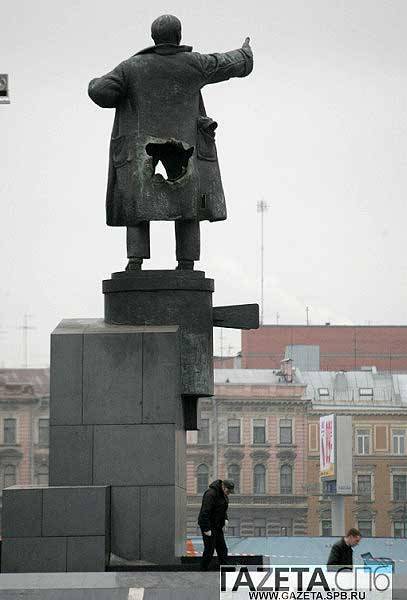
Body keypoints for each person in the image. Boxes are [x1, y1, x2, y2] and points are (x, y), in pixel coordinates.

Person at [88, 15, 253, 271]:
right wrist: (245, 53)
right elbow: (227, 64)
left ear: (154, 38)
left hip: (144, 152)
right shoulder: (194, 63)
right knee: (188, 204)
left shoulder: (131, 67)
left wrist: (94, 84)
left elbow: (100, 92)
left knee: (138, 204)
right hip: (184, 149)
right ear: (178, 36)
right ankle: (186, 263)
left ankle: (135, 261)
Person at [198, 479, 234, 570]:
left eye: (230, 491)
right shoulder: (210, 494)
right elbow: (204, 512)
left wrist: (225, 519)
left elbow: (222, 509)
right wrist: (206, 529)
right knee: (209, 549)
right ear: (223, 486)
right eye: (228, 491)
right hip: (209, 526)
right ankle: (203, 568)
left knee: (222, 548)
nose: (229, 493)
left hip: (217, 526)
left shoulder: (224, 495)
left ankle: (224, 567)